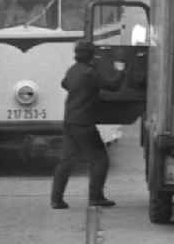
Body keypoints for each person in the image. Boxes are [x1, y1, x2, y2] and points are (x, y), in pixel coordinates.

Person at [50, 40, 126, 209]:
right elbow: (113, 86)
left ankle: (56, 199)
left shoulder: (73, 70)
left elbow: (64, 83)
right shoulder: (89, 73)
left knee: (66, 160)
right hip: (84, 123)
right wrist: (120, 70)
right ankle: (96, 197)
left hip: (70, 121)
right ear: (91, 55)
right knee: (100, 159)